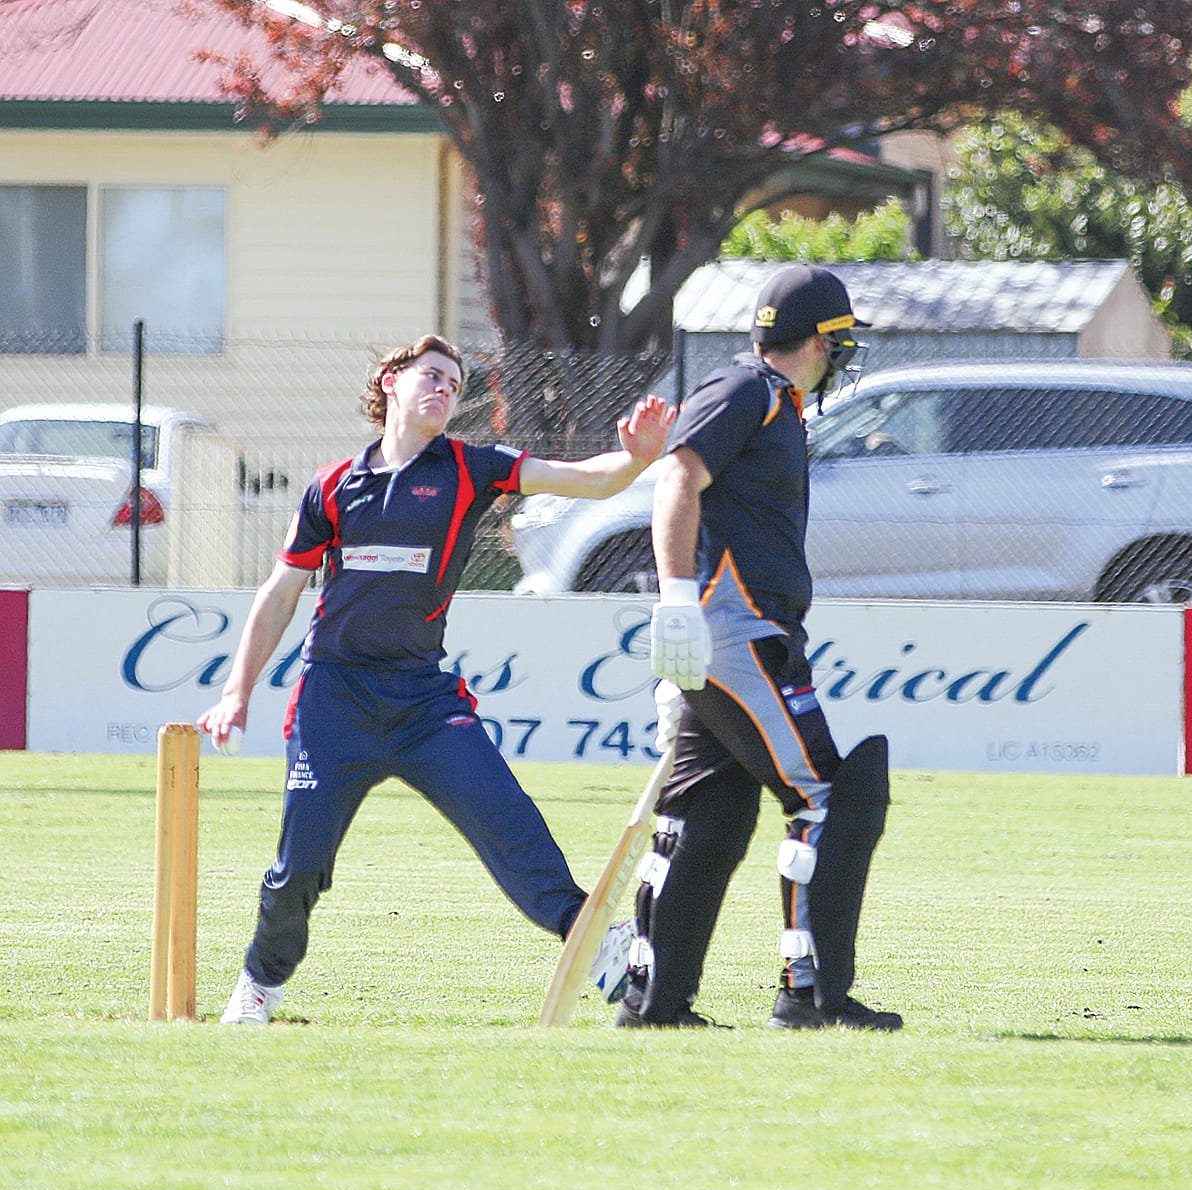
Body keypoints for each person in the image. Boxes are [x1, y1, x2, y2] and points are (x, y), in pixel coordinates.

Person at [201, 334, 674, 1024]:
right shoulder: (332, 485)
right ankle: (260, 982)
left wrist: (635, 458)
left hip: (423, 701)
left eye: (454, 382)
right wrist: (235, 693)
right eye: (431, 375)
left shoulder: (472, 467)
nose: (445, 388)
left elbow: (587, 480)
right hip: (334, 699)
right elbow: (279, 594)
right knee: (299, 864)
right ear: (390, 382)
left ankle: (597, 942)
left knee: (510, 825)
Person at [618, 264, 902, 1030]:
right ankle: (810, 992)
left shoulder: (776, 401)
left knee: (710, 808)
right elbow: (677, 477)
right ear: (819, 339)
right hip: (737, 629)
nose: (845, 355)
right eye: (840, 339)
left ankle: (654, 1001)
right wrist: (677, 599)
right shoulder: (747, 389)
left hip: (740, 630)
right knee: (827, 796)